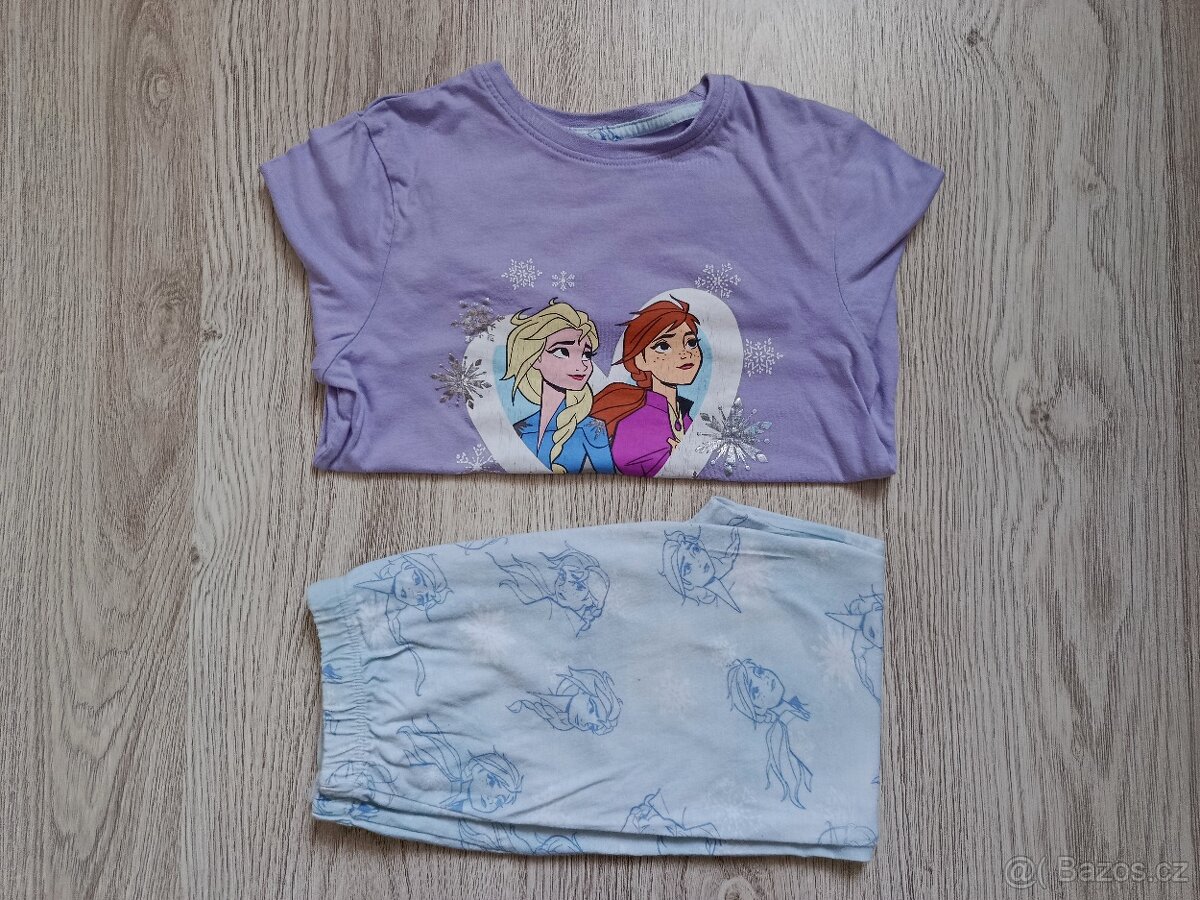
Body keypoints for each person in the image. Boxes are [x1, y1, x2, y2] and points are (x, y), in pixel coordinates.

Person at [591, 297, 703, 477]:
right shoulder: (633, 420)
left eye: (691, 342)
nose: (684, 353)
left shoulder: (688, 417)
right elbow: (623, 463)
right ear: (640, 360)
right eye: (664, 346)